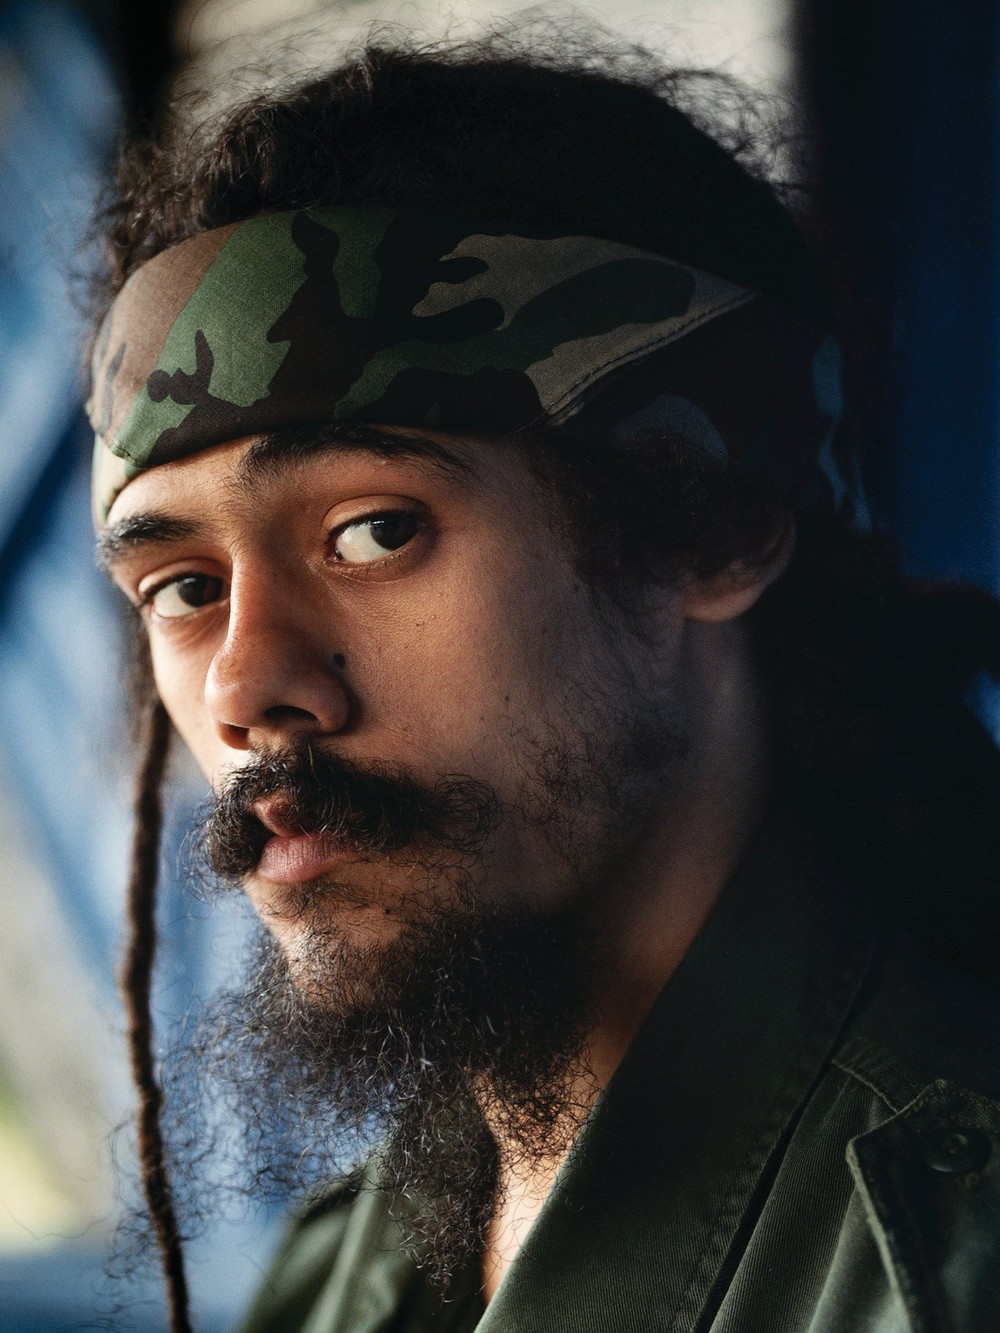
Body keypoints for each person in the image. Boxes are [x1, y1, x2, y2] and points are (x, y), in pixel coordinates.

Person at [87, 33, 1000, 1333]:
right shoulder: (347, 1271)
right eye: (183, 586)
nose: (246, 685)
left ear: (712, 529)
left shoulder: (947, 1262)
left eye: (375, 531)